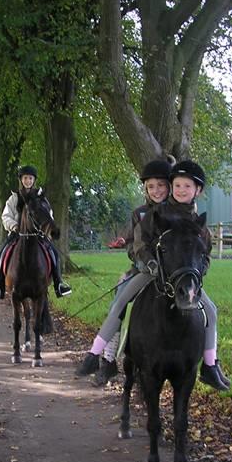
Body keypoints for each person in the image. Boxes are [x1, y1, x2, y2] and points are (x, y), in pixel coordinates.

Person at [133, 160, 230, 391]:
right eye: (178, 186)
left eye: (187, 186)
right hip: (154, 272)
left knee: (212, 312)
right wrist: (151, 263)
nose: (181, 190)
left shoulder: (197, 220)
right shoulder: (159, 213)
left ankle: (210, 365)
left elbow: (205, 252)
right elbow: (140, 244)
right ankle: (108, 354)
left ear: (197, 191)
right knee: (123, 301)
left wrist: (200, 271)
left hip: (183, 277)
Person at [75, 159, 172, 385]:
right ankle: (108, 361)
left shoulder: (176, 211)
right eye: (151, 187)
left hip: (172, 273)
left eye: (160, 185)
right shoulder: (139, 214)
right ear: (145, 190)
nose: (156, 190)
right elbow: (132, 245)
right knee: (117, 303)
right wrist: (141, 261)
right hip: (143, 269)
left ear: (169, 185)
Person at [0, 165, 72, 300]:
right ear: (21, 180)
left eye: (30, 178)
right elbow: (6, 216)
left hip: (37, 235)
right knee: (1, 254)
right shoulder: (14, 198)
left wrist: (45, 229)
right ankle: (0, 287)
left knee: (54, 254)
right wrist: (14, 226)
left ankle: (59, 284)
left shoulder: (40, 197)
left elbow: (48, 214)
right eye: (25, 178)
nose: (28, 181)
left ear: (34, 180)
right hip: (17, 234)